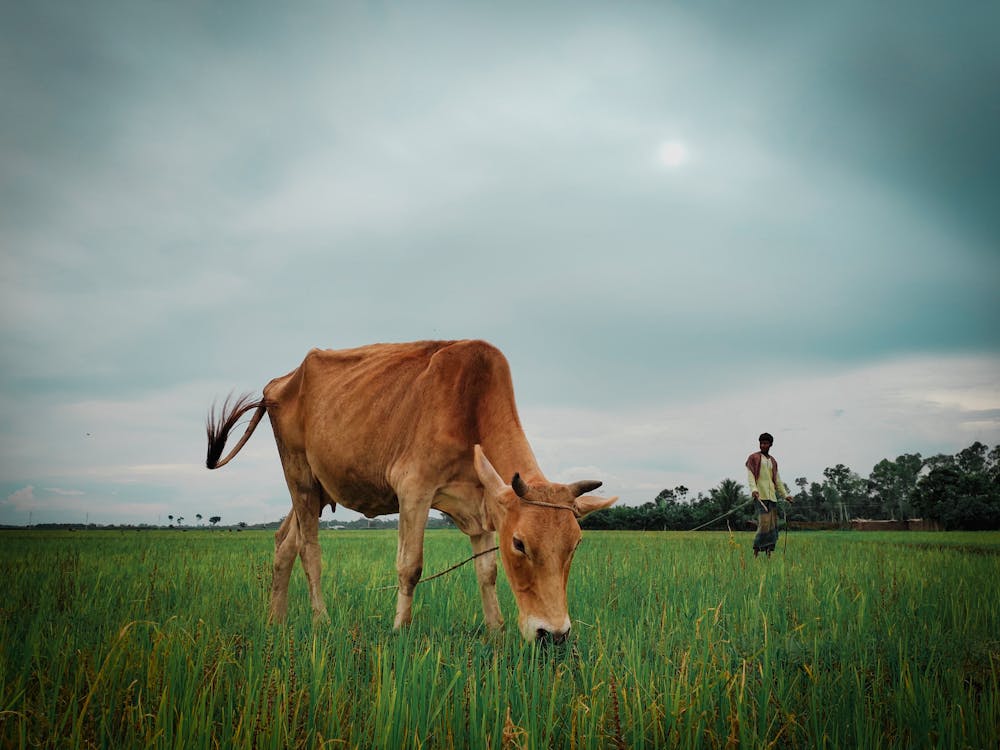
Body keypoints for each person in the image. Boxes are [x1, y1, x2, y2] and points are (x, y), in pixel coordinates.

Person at [746, 432, 794, 557]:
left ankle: (768, 554)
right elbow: (751, 476)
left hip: (772, 498)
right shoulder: (754, 458)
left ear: (770, 445)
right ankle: (756, 553)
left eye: (765, 443)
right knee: (764, 525)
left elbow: (777, 480)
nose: (763, 445)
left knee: (772, 527)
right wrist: (754, 490)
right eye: (761, 443)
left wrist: (785, 495)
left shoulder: (773, 461)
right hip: (760, 497)